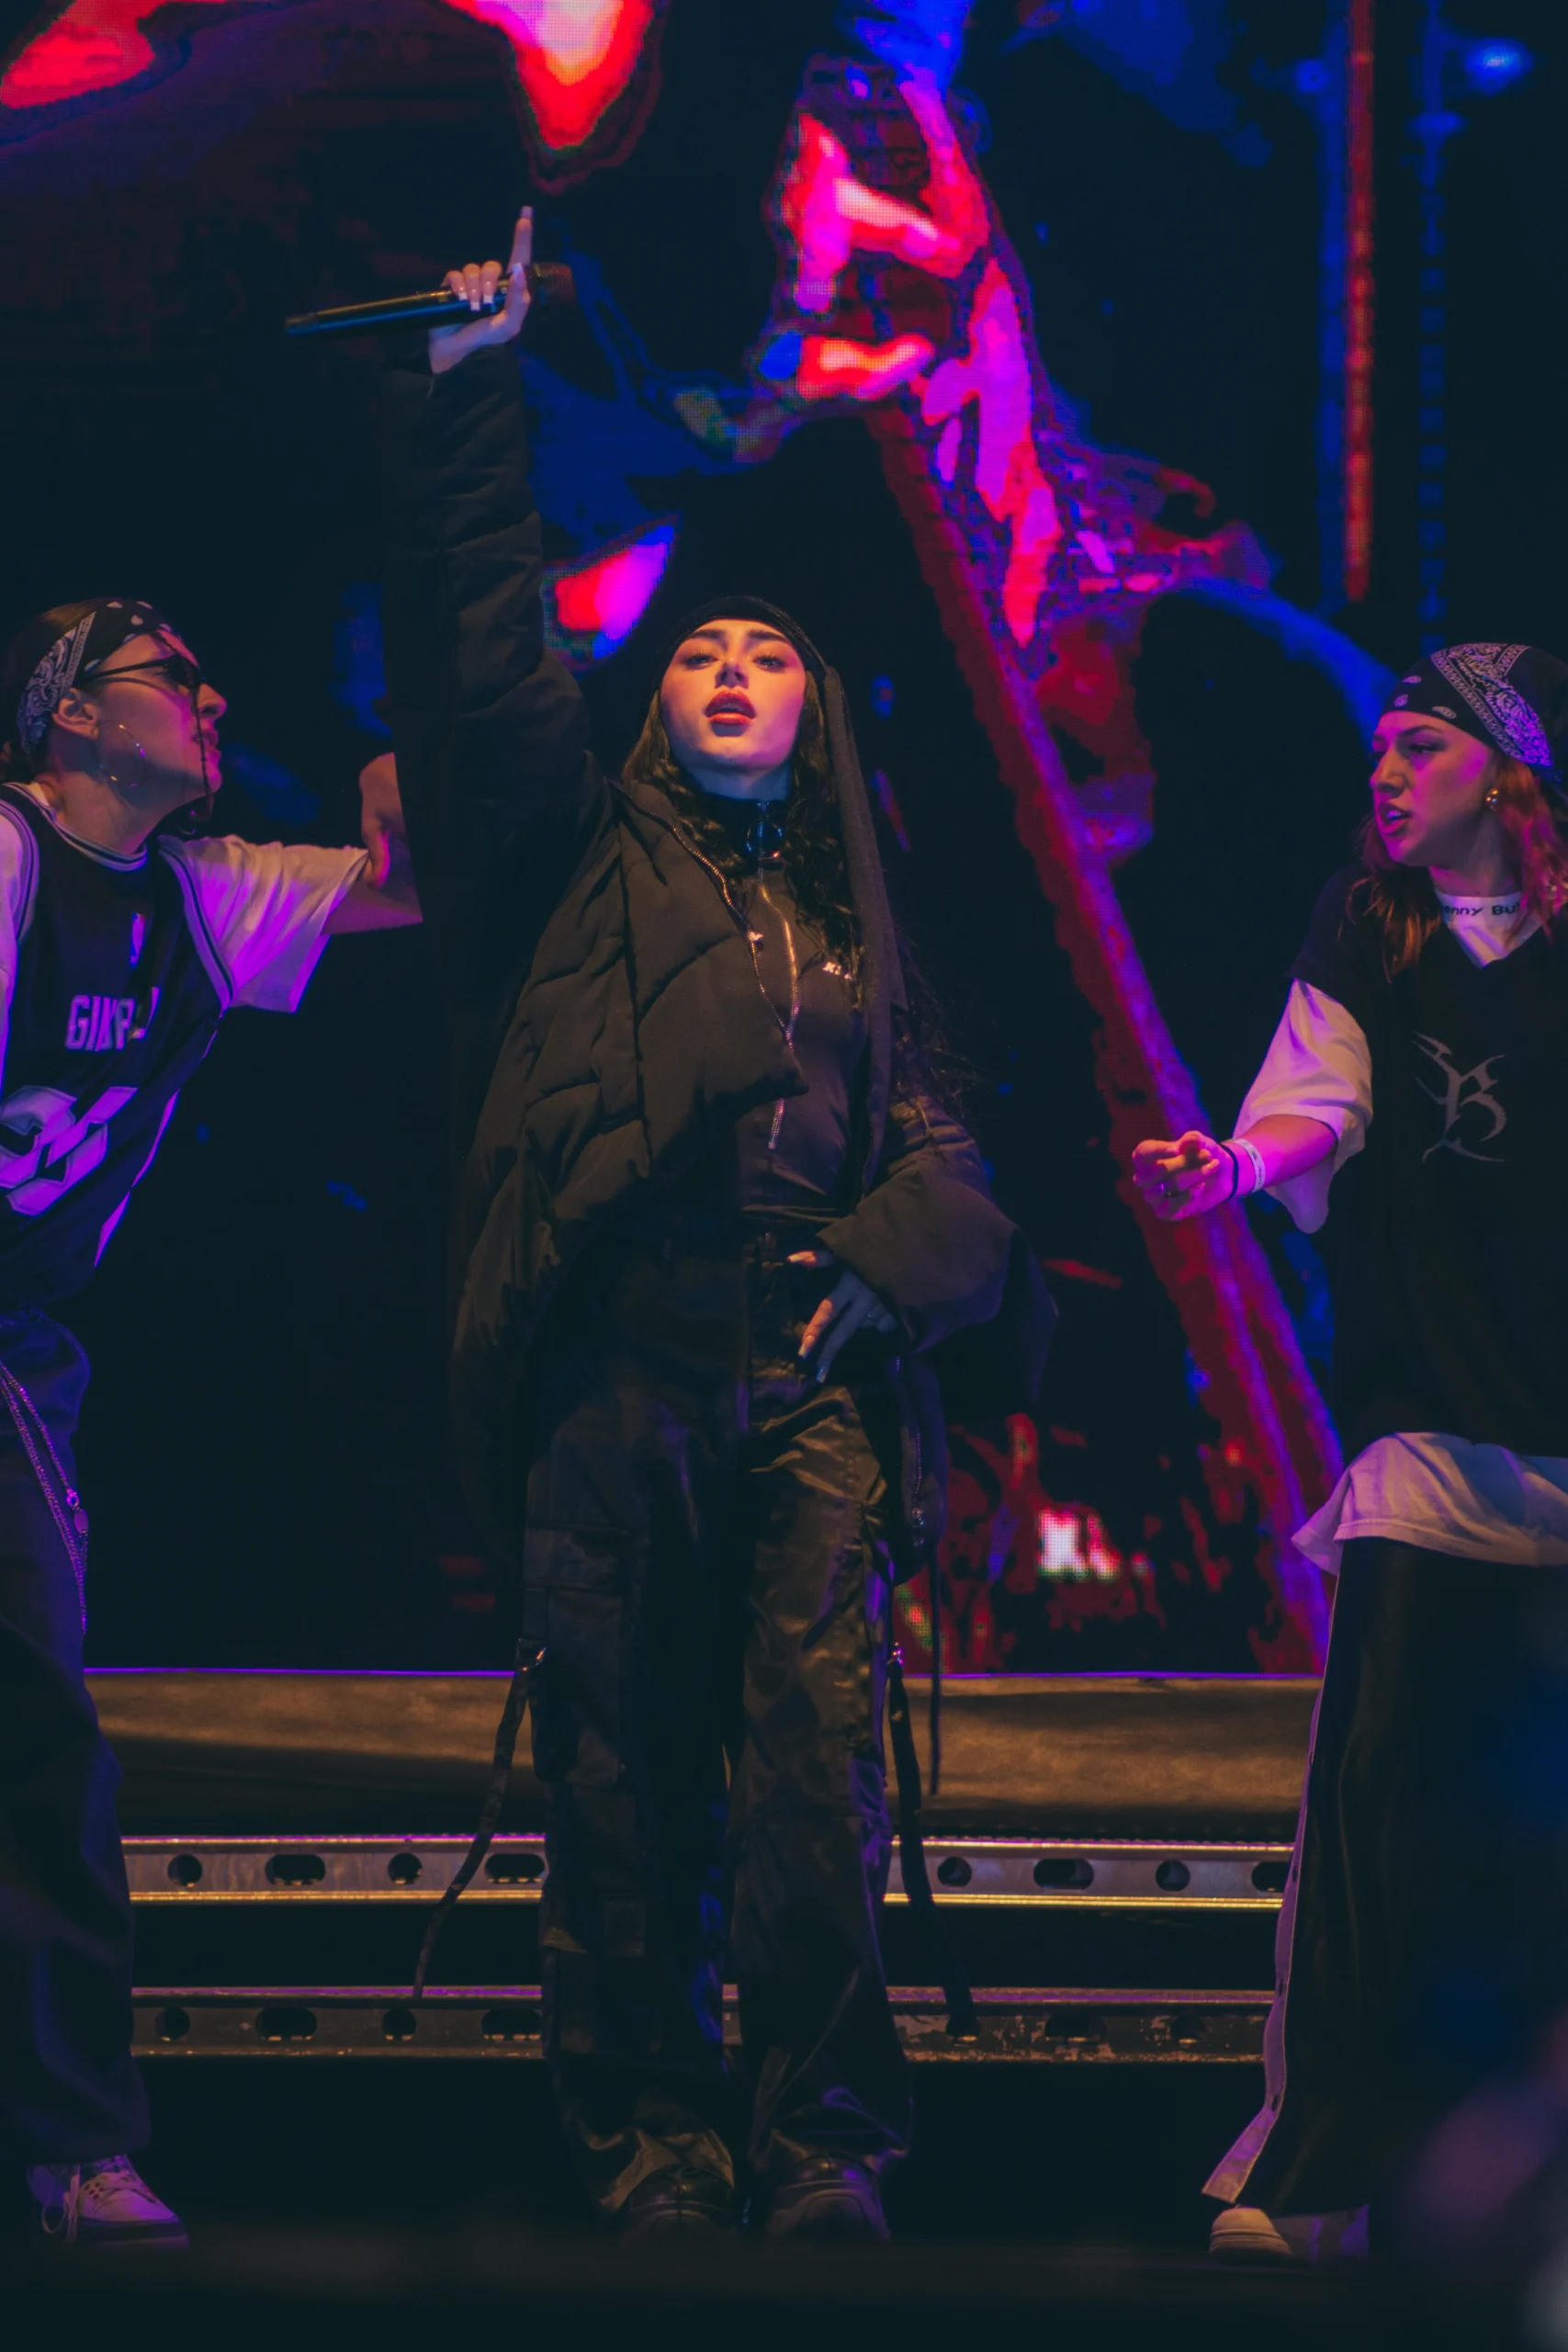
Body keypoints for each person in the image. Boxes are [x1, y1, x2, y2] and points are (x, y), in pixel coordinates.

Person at [375, 209, 1053, 2241]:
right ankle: (651, 2136)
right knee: (618, 1769)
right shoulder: (566, 868)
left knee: (813, 1778)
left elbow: (945, 1152)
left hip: (805, 1375)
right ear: (654, 701)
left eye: (767, 656)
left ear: (813, 711)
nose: (735, 668)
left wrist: (891, 1254)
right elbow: (486, 660)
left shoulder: (850, 920)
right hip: (624, 1365)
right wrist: (466, 395)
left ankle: (824, 2139)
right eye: (699, 651)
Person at [1133, 641, 1568, 2261]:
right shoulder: (1367, 925)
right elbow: (1323, 1098)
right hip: (1430, 1451)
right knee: (1374, 1809)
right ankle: (1319, 2175)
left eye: (1416, 749)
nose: (1381, 775)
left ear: (1506, 773)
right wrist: (1234, 1166)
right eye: (1376, 749)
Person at [0, 595, 420, 2251]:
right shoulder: (9, 862)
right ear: (70, 713)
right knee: (34, 1726)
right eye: (169, 675)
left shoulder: (200, 894)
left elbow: (415, 890)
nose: (211, 693)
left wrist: (404, 774)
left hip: (23, 1347)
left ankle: (69, 2146)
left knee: (37, 1733)